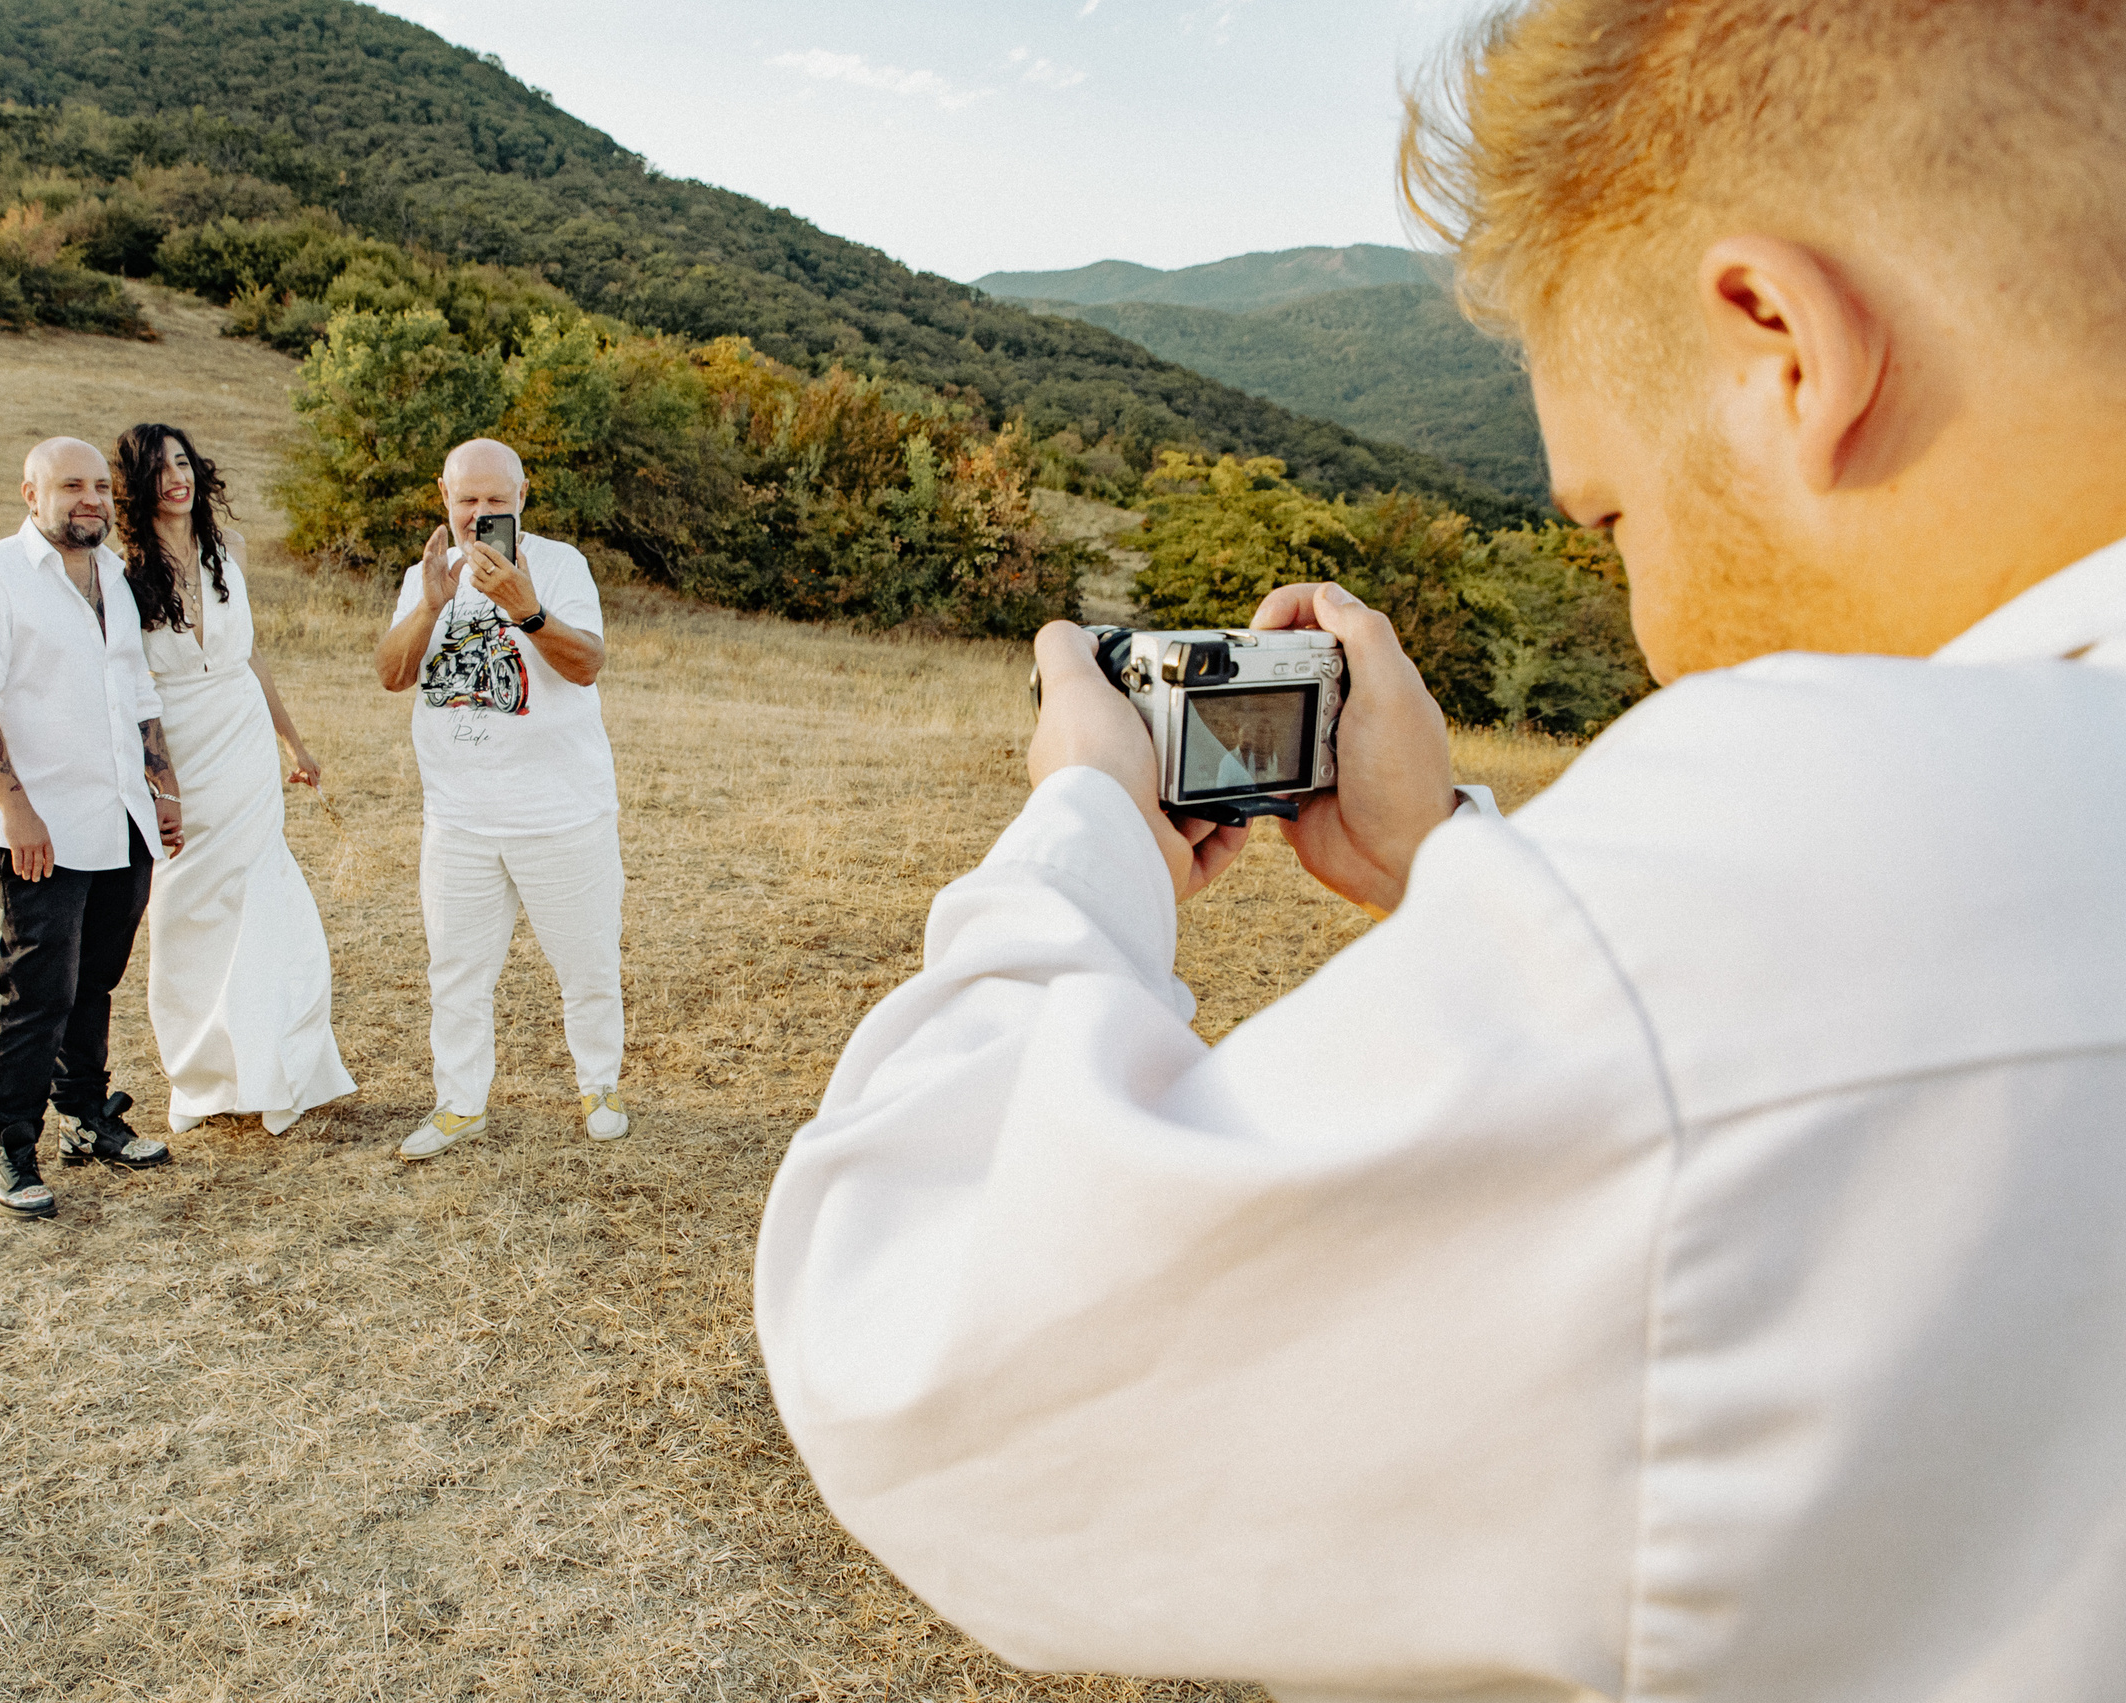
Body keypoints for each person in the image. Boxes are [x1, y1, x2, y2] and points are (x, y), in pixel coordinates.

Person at [752, 4, 2126, 1699]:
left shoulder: (1830, 859)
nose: (1644, 615)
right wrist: (1461, 872)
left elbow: (919, 1341)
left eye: (1611, 514)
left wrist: (1083, 833)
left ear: (1785, 343)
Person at [0, 438, 187, 1219]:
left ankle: (85, 1118)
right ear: (29, 493)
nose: (92, 499)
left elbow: (136, 687)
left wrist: (163, 784)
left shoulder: (110, 572)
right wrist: (17, 812)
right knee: (37, 989)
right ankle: (12, 1143)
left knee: (96, 980)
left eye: (101, 487)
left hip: (121, 816)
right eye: (71, 485)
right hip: (42, 827)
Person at [373, 437, 629, 1158]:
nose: (479, 513)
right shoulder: (426, 573)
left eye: (494, 499)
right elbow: (392, 673)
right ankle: (459, 1105)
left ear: (522, 497)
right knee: (455, 971)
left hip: (560, 813)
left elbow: (587, 665)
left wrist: (528, 608)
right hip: (458, 818)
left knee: (586, 963)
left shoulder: (560, 564)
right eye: (466, 500)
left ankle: (599, 1086)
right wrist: (429, 606)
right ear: (445, 499)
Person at [116, 422, 356, 1136]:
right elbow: (128, 686)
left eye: (183, 464)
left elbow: (251, 659)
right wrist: (157, 779)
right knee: (187, 899)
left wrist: (296, 742)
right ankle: (203, 1073)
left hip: (243, 737)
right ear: (140, 486)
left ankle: (278, 1060)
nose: (175, 480)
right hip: (179, 742)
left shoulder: (225, 555)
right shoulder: (122, 571)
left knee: (260, 890)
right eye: (159, 471)